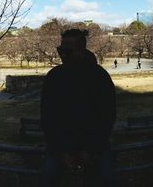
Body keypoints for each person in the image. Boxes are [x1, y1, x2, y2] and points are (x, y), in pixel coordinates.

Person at [40, 29, 116, 187]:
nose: (63, 55)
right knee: (46, 178)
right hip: (62, 143)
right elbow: (47, 118)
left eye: (68, 51)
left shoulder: (99, 77)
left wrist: (91, 150)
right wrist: (60, 152)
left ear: (82, 50)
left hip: (94, 143)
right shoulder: (54, 77)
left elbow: (107, 117)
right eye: (61, 50)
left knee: (107, 179)